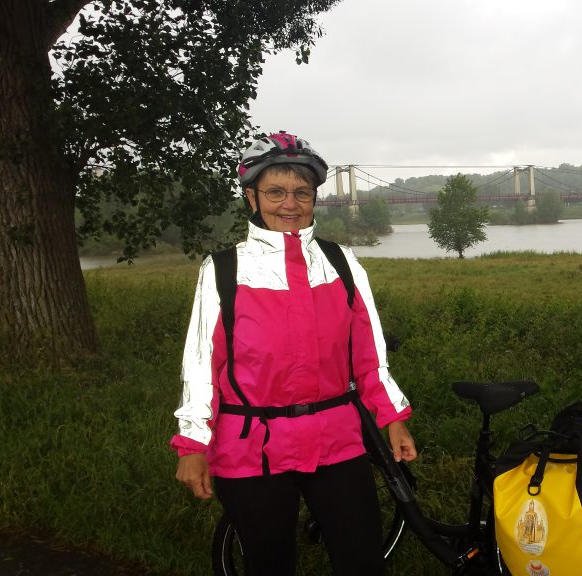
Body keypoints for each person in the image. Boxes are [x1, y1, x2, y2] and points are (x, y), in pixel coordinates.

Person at [171, 131, 416, 575]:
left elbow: (369, 354)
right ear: (252, 197)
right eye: (275, 192)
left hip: (336, 439)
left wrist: (392, 417)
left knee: (362, 562)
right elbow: (202, 366)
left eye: (302, 192)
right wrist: (192, 444)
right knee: (270, 565)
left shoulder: (341, 262)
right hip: (251, 447)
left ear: (314, 198)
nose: (290, 204)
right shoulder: (223, 270)